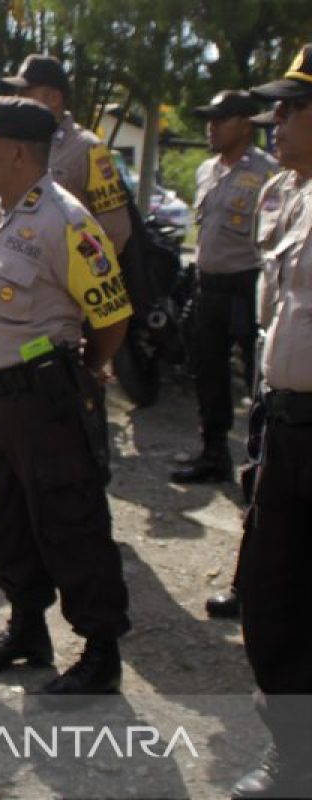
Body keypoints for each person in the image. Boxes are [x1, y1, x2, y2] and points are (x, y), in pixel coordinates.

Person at [0, 97, 132, 696]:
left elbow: (111, 314)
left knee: (70, 519)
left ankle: (100, 651)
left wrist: (86, 368)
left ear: (16, 152)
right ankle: (27, 629)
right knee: (6, 515)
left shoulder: (67, 221)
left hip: (45, 398)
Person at [227, 48, 312, 799]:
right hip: (287, 422)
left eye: (291, 107)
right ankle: (296, 753)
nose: (274, 121)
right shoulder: (288, 192)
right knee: (272, 590)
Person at [171, 90, 277, 486]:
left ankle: (265, 462)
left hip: (246, 286)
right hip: (208, 285)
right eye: (209, 119)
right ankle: (213, 454)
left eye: (220, 119)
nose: (211, 127)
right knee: (208, 372)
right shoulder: (206, 170)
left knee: (256, 376)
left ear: (245, 125)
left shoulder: (269, 173)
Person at [2, 54, 132, 254]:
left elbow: (115, 234)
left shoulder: (88, 149)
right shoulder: (22, 145)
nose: (17, 100)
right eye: (17, 93)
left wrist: (66, 264)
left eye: (25, 92)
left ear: (54, 98)